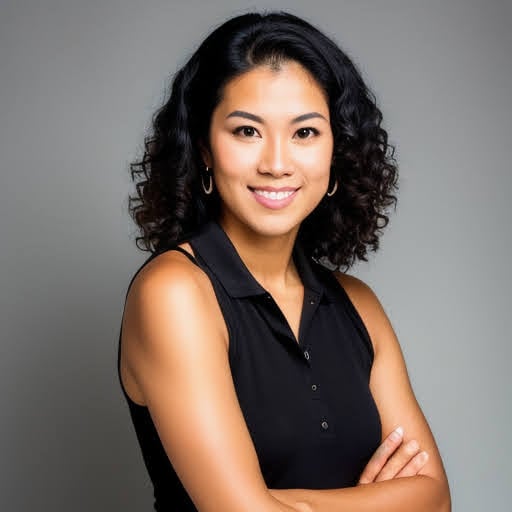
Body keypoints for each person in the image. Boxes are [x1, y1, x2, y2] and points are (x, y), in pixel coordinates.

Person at [117, 11, 450, 512]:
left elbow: (437, 498)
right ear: (205, 149)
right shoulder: (174, 292)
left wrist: (292, 505)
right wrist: (377, 502)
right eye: (247, 131)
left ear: (338, 150)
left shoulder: (358, 304)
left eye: (305, 133)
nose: (276, 162)